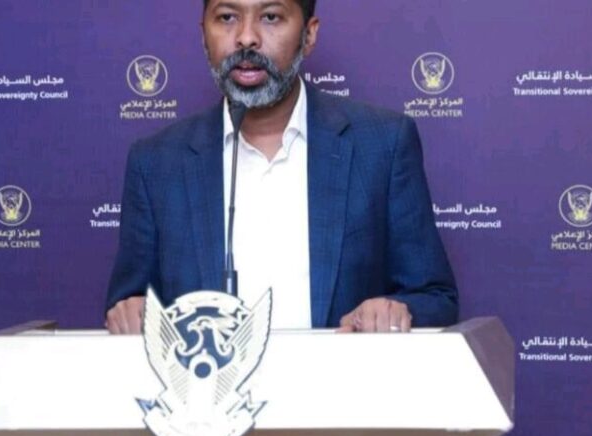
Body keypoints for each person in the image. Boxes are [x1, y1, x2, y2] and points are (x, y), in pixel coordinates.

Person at [105, 0, 458, 334]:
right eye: (227, 17)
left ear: (309, 34)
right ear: (203, 35)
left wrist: (394, 311)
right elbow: (128, 307)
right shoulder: (156, 163)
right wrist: (132, 313)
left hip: (342, 378)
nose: (246, 37)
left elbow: (436, 298)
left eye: (270, 16)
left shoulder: (382, 145)